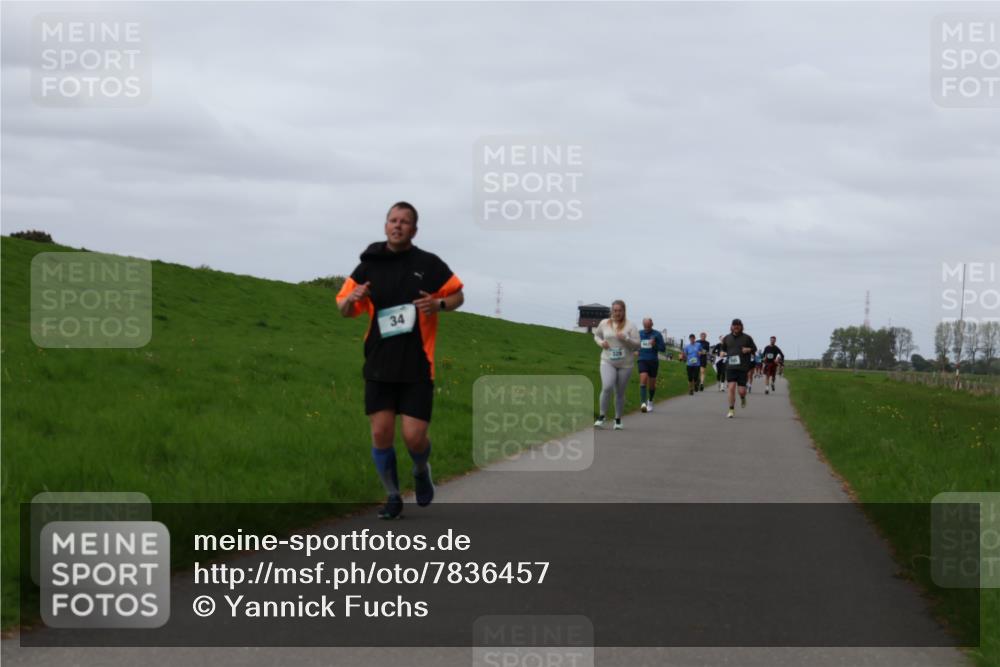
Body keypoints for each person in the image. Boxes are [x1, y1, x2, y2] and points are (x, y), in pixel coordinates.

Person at [335, 202, 464, 520]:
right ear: (385, 226)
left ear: (414, 230)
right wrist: (352, 300)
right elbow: (344, 308)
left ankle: (421, 470)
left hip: (417, 364)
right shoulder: (369, 264)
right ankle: (392, 495)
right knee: (380, 434)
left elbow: (458, 294)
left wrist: (440, 303)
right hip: (379, 363)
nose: (398, 225)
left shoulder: (428, 264)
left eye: (405, 221)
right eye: (393, 220)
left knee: (413, 437)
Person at [593, 300, 640, 430]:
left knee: (619, 392)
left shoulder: (631, 326)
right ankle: (601, 417)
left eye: (619, 311)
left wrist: (626, 338)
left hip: (626, 364)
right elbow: (596, 336)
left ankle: (618, 419)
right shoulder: (604, 323)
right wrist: (601, 343)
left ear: (624, 311)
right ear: (611, 311)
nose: (617, 313)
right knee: (607, 386)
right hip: (607, 361)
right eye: (615, 310)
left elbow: (637, 345)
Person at [721, 318, 757, 418]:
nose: (736, 327)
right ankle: (731, 410)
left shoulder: (747, 338)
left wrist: (748, 349)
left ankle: (742, 397)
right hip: (730, 367)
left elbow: (755, 349)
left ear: (741, 326)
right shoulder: (727, 338)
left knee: (741, 391)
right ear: (731, 326)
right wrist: (722, 352)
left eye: (738, 325)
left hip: (742, 368)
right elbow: (723, 349)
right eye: (734, 325)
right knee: (731, 388)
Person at [638, 318, 666, 412]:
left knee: (652, 384)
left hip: (653, 361)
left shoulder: (657, 334)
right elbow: (635, 344)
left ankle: (650, 400)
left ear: (652, 324)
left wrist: (655, 345)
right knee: (643, 378)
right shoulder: (639, 333)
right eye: (645, 326)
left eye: (648, 326)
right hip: (642, 360)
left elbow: (663, 349)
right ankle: (643, 403)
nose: (646, 328)